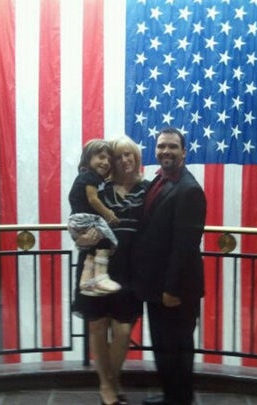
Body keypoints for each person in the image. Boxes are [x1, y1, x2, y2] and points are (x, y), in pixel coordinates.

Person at [131, 127, 207, 405]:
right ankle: (170, 398)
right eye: (162, 146)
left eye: (173, 147)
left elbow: (185, 246)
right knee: (163, 347)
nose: (166, 151)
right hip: (156, 286)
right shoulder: (158, 181)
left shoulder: (189, 189)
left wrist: (171, 289)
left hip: (176, 290)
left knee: (178, 349)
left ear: (184, 152)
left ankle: (180, 400)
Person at [72, 135, 150, 405]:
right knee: (97, 326)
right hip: (96, 265)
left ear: (137, 159)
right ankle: (106, 385)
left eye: (130, 155)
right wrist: (80, 236)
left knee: (123, 330)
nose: (124, 160)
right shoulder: (98, 189)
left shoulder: (148, 189)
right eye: (119, 156)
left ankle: (113, 377)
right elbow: (78, 221)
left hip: (131, 268)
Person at [68, 139, 122, 296]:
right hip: (85, 218)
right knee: (106, 240)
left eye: (109, 159)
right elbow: (93, 199)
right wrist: (108, 214)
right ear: (88, 158)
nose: (105, 162)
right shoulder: (90, 177)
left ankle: (86, 281)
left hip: (77, 219)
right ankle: (100, 277)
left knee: (92, 250)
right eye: (101, 157)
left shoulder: (89, 178)